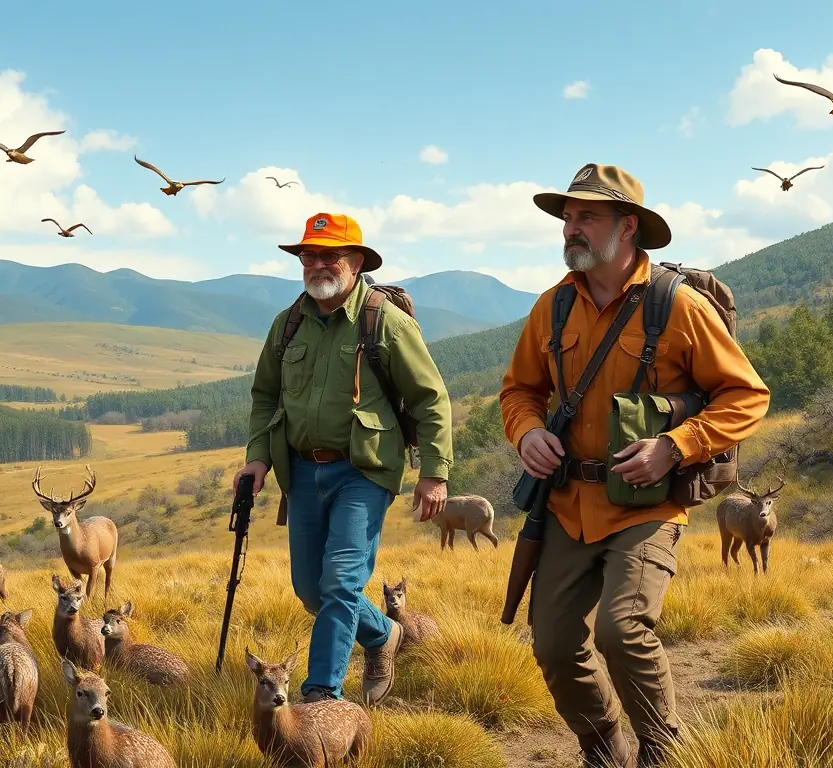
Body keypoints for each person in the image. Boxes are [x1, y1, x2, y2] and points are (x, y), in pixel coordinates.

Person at [498, 164, 770, 767]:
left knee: (622, 632)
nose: (571, 228)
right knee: (554, 643)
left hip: (648, 504)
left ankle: (663, 753)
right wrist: (528, 432)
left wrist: (674, 446)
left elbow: (747, 395)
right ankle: (604, 749)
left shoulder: (678, 305)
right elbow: (519, 390)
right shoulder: (552, 306)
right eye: (568, 217)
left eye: (587, 217)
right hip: (567, 505)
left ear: (628, 227)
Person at [233, 212, 453, 707]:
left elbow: (430, 398)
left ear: (356, 262)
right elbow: (265, 397)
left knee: (339, 582)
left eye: (329, 256)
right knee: (312, 591)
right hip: (300, 471)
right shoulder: (287, 324)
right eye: (308, 255)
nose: (316, 264)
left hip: (364, 470)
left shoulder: (385, 322)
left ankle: (321, 697)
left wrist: (435, 473)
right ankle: (383, 635)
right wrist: (258, 458)